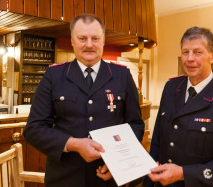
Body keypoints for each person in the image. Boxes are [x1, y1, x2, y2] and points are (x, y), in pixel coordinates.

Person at [23, 14, 145, 187]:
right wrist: (73, 144)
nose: (89, 44)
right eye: (82, 38)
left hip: (107, 177)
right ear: (72, 41)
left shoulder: (122, 76)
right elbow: (34, 129)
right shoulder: (54, 75)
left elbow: (135, 125)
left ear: (103, 41)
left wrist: (119, 163)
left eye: (95, 38)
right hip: (64, 178)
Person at [144, 27, 213, 187]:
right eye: (185, 52)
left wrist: (183, 174)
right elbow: (158, 142)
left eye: (197, 52)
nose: (189, 58)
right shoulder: (171, 87)